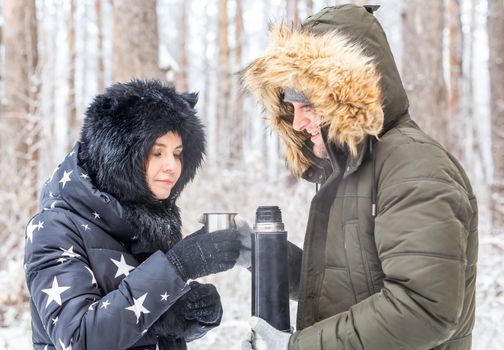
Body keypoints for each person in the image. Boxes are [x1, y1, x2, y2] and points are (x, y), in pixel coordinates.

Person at [241, 4, 478, 350]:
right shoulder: (354, 169)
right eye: (292, 108)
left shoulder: (414, 167)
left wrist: (297, 347)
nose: (297, 123)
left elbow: (422, 307)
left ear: (346, 95)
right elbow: (342, 279)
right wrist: (255, 253)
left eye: (309, 106)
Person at [24, 79, 242, 350]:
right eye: (157, 152)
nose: (172, 166)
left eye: (178, 154)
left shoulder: (146, 222)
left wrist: (190, 317)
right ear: (119, 156)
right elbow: (79, 338)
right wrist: (178, 266)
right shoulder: (55, 228)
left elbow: (140, 324)